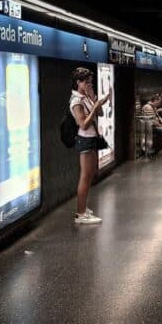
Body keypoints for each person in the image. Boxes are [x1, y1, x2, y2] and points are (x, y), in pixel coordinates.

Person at [70, 67, 111, 224]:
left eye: (90, 82)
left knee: (91, 174)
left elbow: (99, 114)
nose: (89, 84)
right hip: (85, 139)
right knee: (85, 177)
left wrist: (94, 98)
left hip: (92, 139)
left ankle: (83, 208)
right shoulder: (76, 101)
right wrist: (94, 106)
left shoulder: (86, 96)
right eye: (86, 82)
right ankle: (80, 214)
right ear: (78, 82)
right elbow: (83, 124)